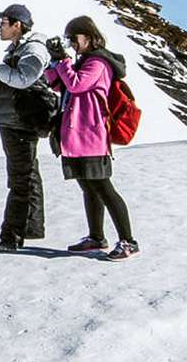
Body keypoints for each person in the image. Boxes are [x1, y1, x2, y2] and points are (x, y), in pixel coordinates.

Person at [43, 17, 140, 260]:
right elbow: (58, 84)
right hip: (76, 136)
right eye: (68, 40)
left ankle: (129, 241)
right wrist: (54, 61)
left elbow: (76, 84)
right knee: (88, 187)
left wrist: (63, 61)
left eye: (73, 39)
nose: (71, 44)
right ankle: (96, 236)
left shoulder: (98, 62)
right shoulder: (83, 61)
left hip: (92, 135)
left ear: (88, 36)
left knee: (104, 188)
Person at [0, 3, 49, 251]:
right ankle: (31, 227)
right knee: (27, 174)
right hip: (14, 118)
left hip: (21, 121)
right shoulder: (17, 49)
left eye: (3, 22)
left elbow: (23, 80)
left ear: (17, 25)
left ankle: (11, 235)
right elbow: (4, 89)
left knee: (21, 178)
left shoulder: (33, 50)